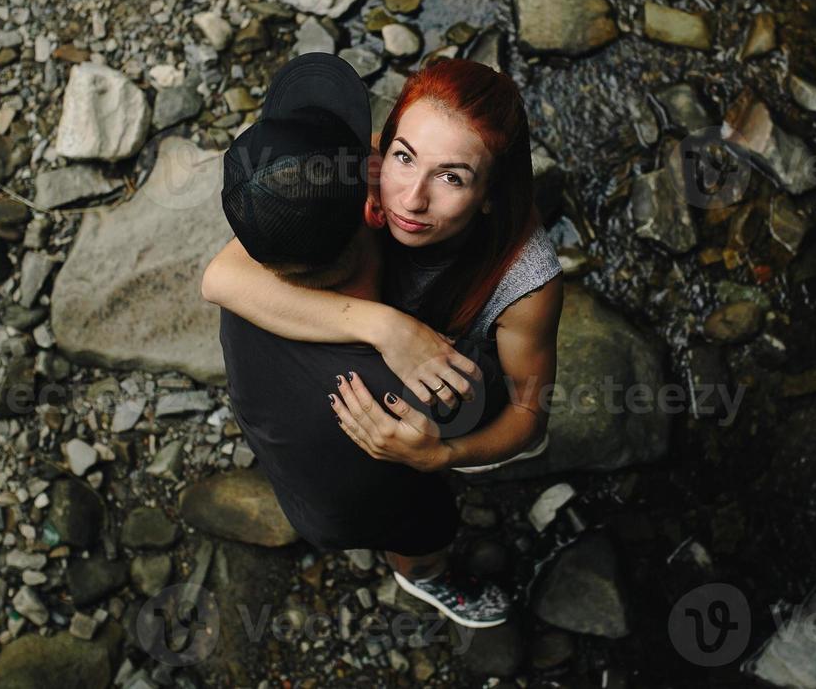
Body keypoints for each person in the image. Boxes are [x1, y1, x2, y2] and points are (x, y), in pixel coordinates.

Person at [203, 56, 564, 615]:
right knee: (411, 521)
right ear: (383, 149)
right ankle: (422, 573)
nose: (410, 200)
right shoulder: (357, 170)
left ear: (492, 192)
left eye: (452, 177)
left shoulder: (527, 281)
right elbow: (221, 276)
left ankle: (425, 564)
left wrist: (444, 457)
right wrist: (385, 326)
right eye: (404, 158)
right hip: (349, 412)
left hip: (446, 389)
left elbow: (529, 413)